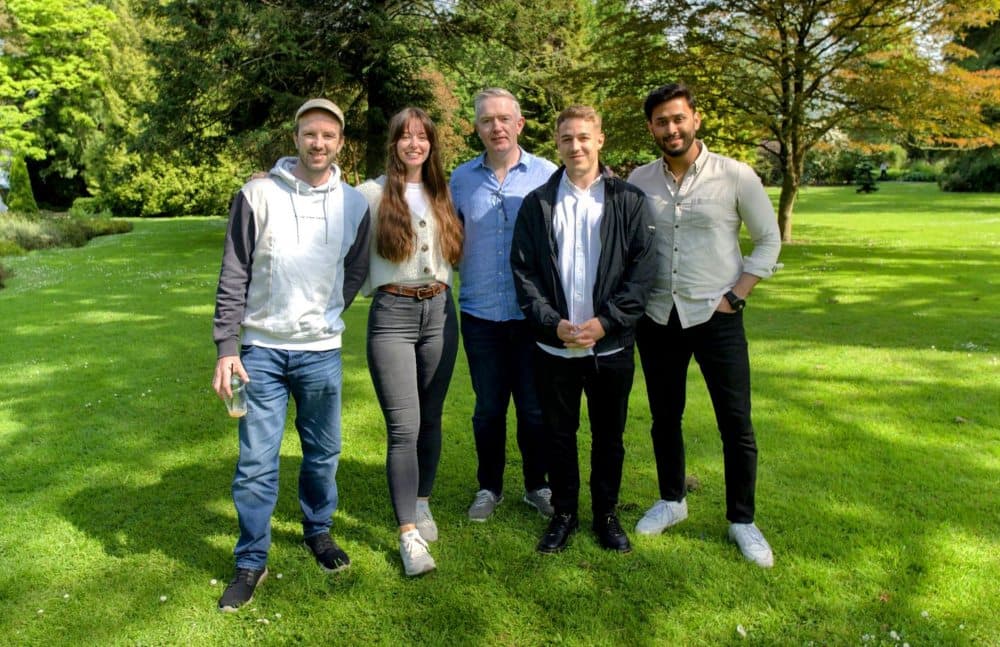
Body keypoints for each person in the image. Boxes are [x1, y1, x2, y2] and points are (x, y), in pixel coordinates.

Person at [211, 98, 371, 610]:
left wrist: (326, 311)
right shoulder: (257, 194)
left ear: (340, 142)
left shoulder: (355, 204)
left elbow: (356, 268)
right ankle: (250, 561)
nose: (318, 143)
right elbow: (234, 272)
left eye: (328, 135)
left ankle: (318, 532)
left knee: (323, 455)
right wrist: (225, 348)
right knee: (256, 463)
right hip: (260, 353)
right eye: (309, 134)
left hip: (321, 352)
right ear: (295, 138)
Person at [627, 83, 781, 568]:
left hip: (716, 318)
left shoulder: (735, 175)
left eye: (678, 118)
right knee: (664, 417)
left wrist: (736, 296)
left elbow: (769, 241)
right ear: (651, 127)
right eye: (660, 121)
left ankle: (742, 520)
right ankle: (672, 500)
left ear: (695, 118)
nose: (671, 129)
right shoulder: (639, 180)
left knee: (735, 423)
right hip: (657, 318)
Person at [511, 105, 657, 555]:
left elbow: (643, 272)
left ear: (600, 140)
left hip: (609, 346)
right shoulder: (537, 203)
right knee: (558, 434)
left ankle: (606, 514)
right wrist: (552, 324)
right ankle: (564, 513)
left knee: (609, 435)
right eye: (566, 139)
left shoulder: (628, 200)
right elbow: (523, 272)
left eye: (583, 137)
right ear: (557, 145)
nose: (575, 146)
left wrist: (605, 322)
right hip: (554, 347)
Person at [357, 107, 464, 576]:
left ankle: (422, 502)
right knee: (404, 426)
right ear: (394, 143)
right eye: (406, 136)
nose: (414, 144)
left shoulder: (444, 193)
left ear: (431, 144)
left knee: (431, 416)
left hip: (441, 312)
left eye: (422, 137)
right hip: (393, 316)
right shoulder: (369, 194)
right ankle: (408, 535)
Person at [449, 88, 558, 522]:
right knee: (488, 409)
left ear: (519, 125)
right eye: (486, 120)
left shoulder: (548, 175)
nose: (495, 127)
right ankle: (488, 487)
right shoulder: (460, 180)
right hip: (480, 314)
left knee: (534, 409)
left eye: (502, 119)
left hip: (533, 316)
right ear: (476, 128)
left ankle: (538, 486)